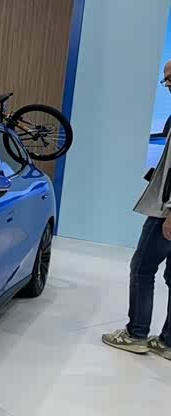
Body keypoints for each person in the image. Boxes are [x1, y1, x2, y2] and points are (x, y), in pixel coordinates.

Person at [102, 60, 171, 360]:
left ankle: (136, 334)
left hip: (165, 212)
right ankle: (168, 342)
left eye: (170, 78)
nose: (167, 85)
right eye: (165, 81)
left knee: (143, 268)